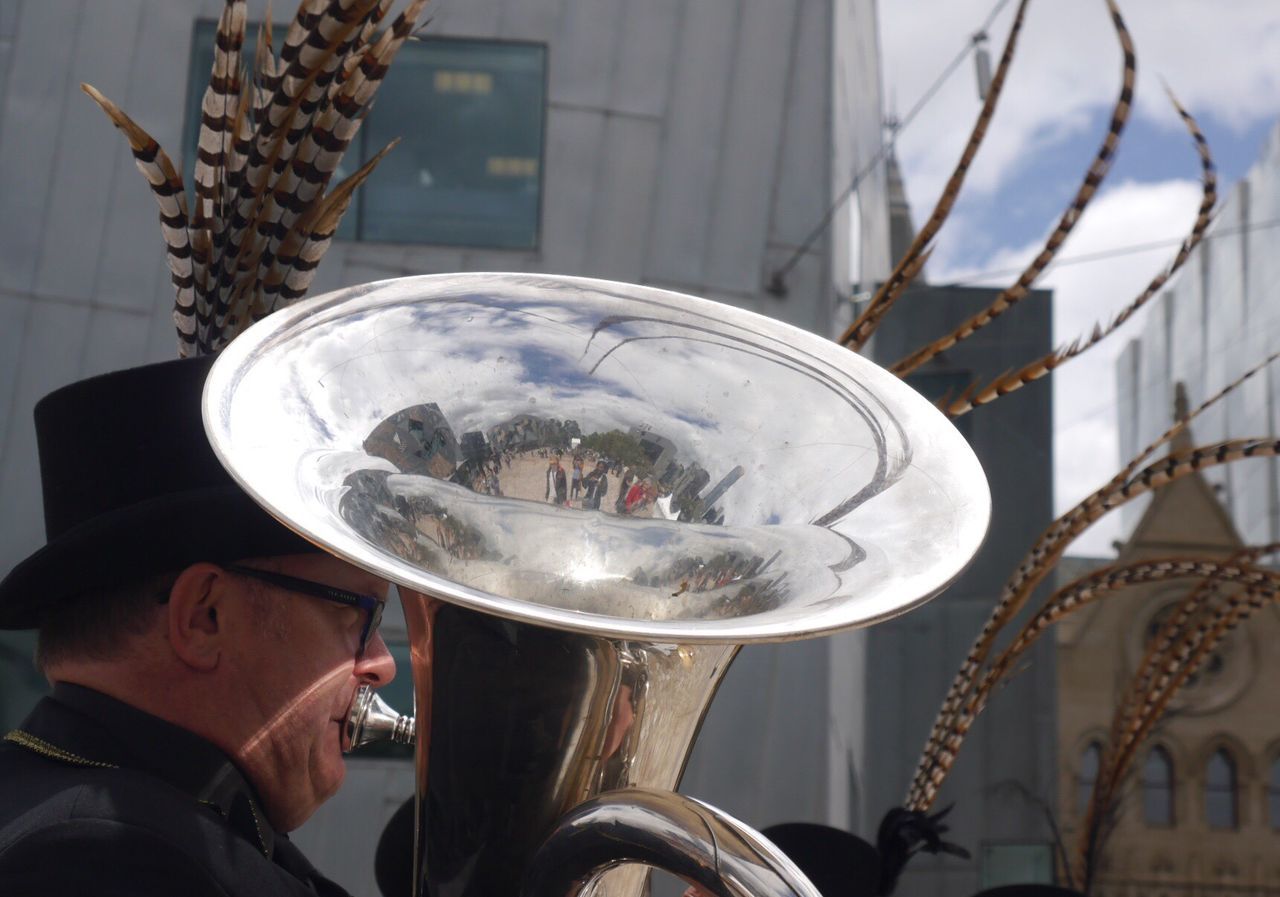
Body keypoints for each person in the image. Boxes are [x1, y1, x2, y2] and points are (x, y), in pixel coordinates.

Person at [0, 356, 396, 896]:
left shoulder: (152, 825)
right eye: (358, 612)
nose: (382, 663)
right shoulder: (106, 856)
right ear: (204, 617)